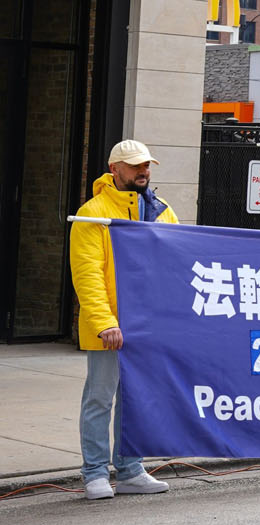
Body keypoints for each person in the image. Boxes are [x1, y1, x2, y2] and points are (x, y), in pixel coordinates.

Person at [69, 140, 178, 500]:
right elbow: (88, 275)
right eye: (135, 166)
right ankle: (95, 473)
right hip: (111, 327)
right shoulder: (93, 214)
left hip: (147, 326)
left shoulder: (162, 211)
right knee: (100, 398)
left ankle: (131, 470)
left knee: (135, 400)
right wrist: (105, 322)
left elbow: (175, 264)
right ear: (114, 169)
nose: (143, 171)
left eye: (146, 165)